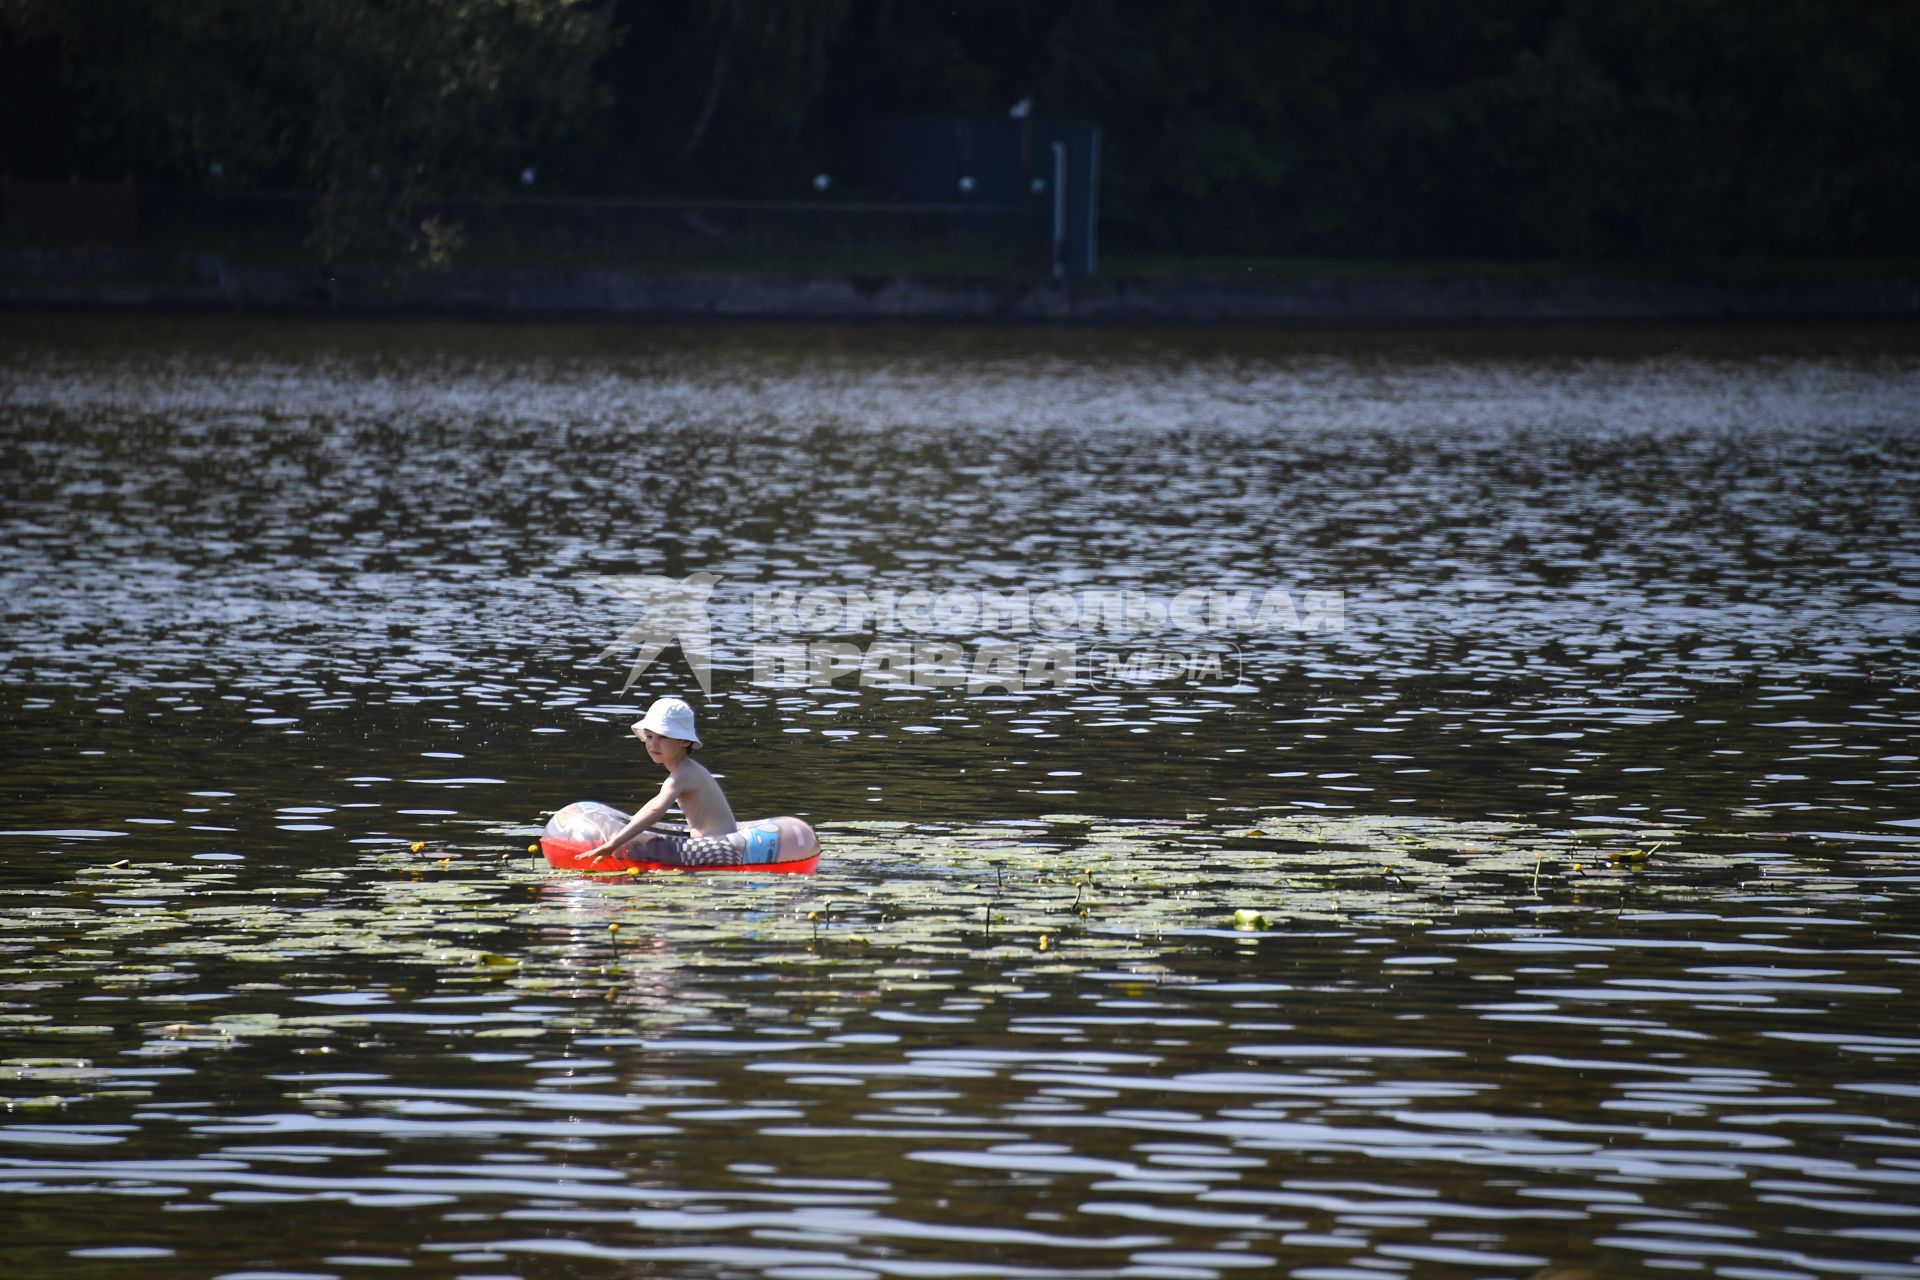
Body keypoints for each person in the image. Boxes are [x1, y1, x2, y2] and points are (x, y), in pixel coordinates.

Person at [581, 696, 769, 868]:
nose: (653, 744)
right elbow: (653, 804)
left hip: (719, 851)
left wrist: (614, 843)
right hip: (715, 844)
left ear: (685, 742)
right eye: (649, 736)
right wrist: (625, 826)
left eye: (663, 737)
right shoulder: (684, 770)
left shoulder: (683, 774)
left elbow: (656, 810)